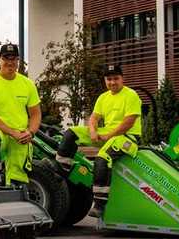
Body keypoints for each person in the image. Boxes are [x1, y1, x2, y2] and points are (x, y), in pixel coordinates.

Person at [55, 64, 142, 216]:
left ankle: (100, 204)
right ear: (105, 80)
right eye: (109, 79)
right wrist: (93, 131)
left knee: (102, 158)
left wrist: (109, 136)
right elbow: (94, 118)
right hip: (107, 135)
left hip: (127, 137)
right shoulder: (103, 97)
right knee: (71, 133)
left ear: (122, 79)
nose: (112, 82)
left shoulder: (131, 95)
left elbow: (129, 121)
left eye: (116, 78)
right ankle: (61, 171)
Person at [0, 42, 41, 187]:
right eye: (6, 58)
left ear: (18, 61)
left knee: (18, 178)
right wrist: (12, 132)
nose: (10, 62)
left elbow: (35, 114)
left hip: (21, 134)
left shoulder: (28, 84)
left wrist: (30, 132)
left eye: (14, 59)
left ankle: (17, 189)